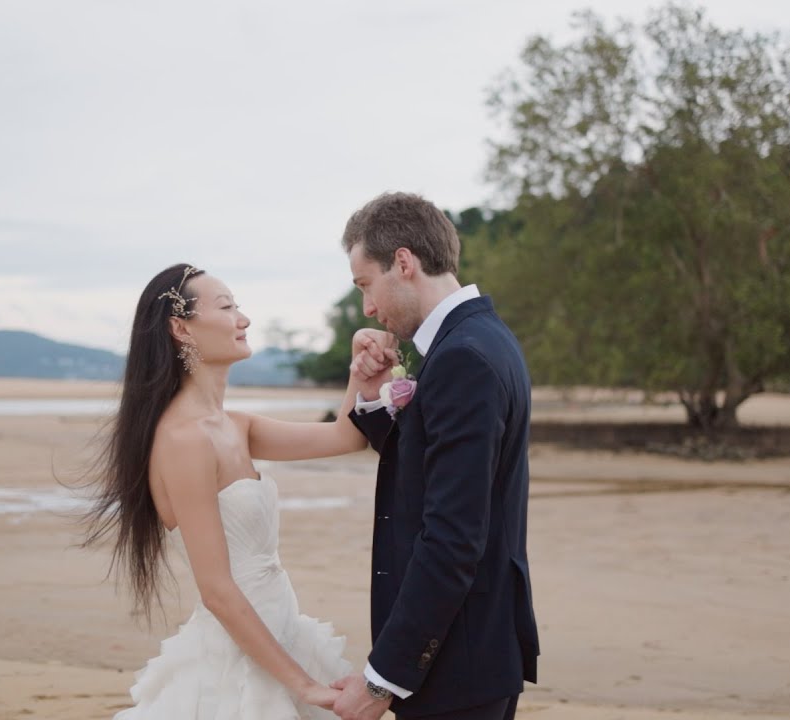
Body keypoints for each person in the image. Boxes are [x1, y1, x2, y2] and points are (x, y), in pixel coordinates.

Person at [85, 263, 392, 719]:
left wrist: (359, 369)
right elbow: (217, 589)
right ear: (179, 327)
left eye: (238, 307)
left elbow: (346, 437)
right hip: (235, 660)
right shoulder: (184, 439)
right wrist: (303, 686)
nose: (243, 319)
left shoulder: (235, 426)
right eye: (227, 307)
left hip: (283, 631)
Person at [330, 192, 540, 720]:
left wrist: (382, 680)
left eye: (366, 285)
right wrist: (377, 396)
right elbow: (429, 465)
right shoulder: (481, 340)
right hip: (476, 650)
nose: (368, 309)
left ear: (403, 262)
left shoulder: (462, 358)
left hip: (457, 663)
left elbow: (452, 537)